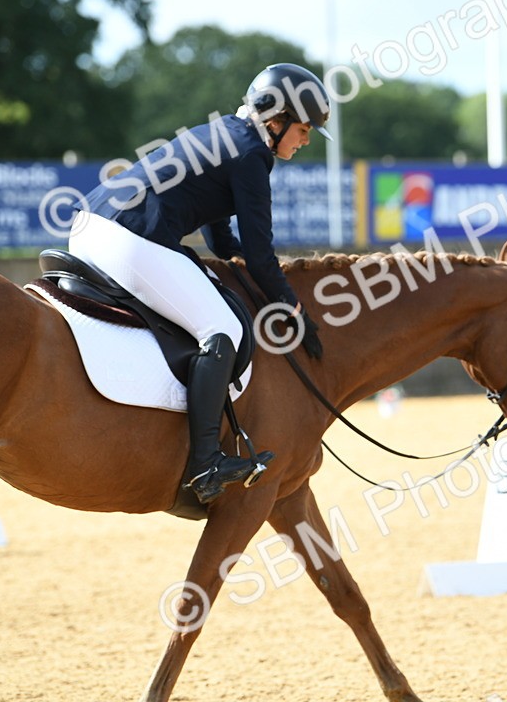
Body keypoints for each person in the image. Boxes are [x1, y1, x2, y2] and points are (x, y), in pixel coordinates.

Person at [69, 63, 328, 504]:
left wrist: (236, 261)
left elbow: (218, 231)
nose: (305, 140)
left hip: (90, 223)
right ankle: (205, 464)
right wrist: (294, 309)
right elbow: (262, 256)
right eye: (303, 129)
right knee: (221, 330)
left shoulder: (227, 132)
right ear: (276, 119)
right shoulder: (252, 155)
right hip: (128, 237)